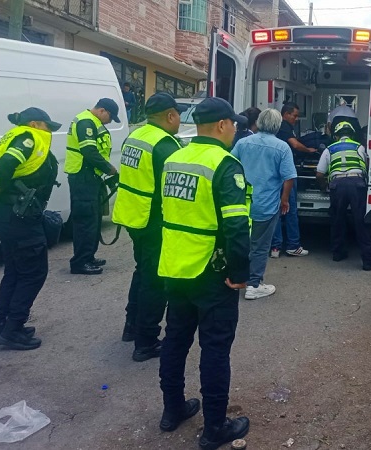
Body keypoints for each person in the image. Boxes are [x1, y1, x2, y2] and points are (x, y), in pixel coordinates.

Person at [157, 97, 251, 449]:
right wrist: (240, 272)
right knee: (214, 349)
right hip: (212, 272)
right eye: (234, 125)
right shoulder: (226, 165)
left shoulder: (173, 158)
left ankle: (172, 410)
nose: (235, 130)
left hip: (174, 266)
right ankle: (215, 428)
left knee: (176, 340)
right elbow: (237, 225)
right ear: (223, 125)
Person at [0, 108, 62, 350]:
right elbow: (6, 164)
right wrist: (0, 187)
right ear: (34, 123)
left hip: (6, 215)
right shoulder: (27, 139)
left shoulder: (9, 139)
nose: (49, 130)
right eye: (47, 125)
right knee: (33, 272)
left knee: (15, 270)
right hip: (19, 217)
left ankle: (5, 324)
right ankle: (12, 329)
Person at [112, 93, 187, 362]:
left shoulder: (137, 135)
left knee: (142, 272)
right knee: (155, 282)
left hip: (134, 216)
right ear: (170, 115)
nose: (179, 121)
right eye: (178, 115)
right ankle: (146, 342)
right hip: (154, 220)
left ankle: (131, 327)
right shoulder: (165, 145)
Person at [232, 109, 297, 300]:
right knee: (260, 246)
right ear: (277, 126)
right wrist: (284, 200)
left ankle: (237, 278)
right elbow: (289, 178)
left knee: (242, 242)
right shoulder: (282, 147)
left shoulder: (243, 143)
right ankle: (254, 284)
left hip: (241, 203)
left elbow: (230, 165)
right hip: (266, 205)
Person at [65, 98, 120, 275]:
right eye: (110, 117)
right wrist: (109, 169)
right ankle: (80, 262)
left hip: (90, 177)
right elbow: (89, 152)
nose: (110, 122)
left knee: (94, 219)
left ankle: (88, 256)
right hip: (83, 177)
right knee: (85, 221)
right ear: (102, 110)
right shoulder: (86, 122)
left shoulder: (92, 121)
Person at [316, 121, 371, 270]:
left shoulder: (329, 149)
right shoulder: (360, 147)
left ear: (336, 135)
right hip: (357, 184)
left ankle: (338, 253)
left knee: (338, 219)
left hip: (337, 186)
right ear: (351, 134)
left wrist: (325, 187)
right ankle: (369, 261)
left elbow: (319, 174)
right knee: (362, 221)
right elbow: (366, 167)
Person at [272, 102, 315, 257]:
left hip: (275, 172)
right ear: (286, 114)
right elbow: (295, 145)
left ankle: (275, 247)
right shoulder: (284, 127)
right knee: (289, 208)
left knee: (276, 209)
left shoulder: (277, 127)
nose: (296, 119)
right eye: (294, 115)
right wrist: (308, 150)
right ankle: (293, 245)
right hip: (286, 172)